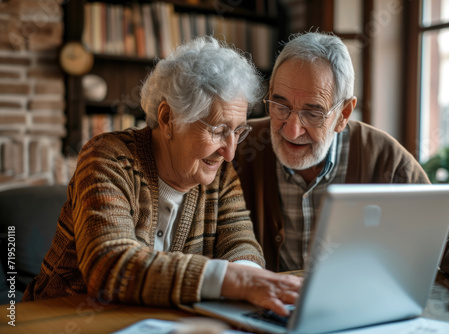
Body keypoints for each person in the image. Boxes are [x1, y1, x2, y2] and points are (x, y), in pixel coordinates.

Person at [22, 37, 301, 317]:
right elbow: (109, 266)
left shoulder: (220, 175)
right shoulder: (108, 158)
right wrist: (238, 281)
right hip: (60, 319)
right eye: (218, 130)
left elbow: (240, 243)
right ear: (168, 118)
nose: (229, 153)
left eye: (238, 131)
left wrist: (254, 278)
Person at [235, 31, 449, 309]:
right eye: (281, 105)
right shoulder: (239, 146)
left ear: (344, 114)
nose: (291, 129)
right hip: (263, 313)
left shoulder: (383, 156)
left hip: (353, 312)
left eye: (313, 113)